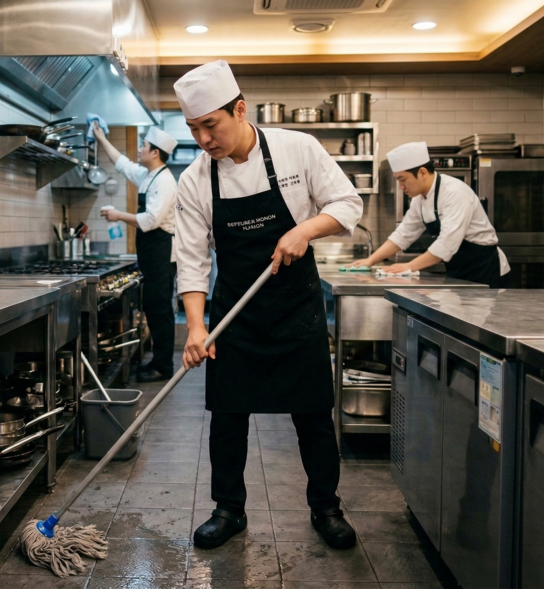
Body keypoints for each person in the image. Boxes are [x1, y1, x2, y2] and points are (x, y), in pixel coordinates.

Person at [173, 60, 363, 550]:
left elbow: (347, 204)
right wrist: (196, 327)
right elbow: (192, 262)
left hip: (296, 306)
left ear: (239, 109)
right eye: (194, 129)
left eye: (210, 125)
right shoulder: (195, 180)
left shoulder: (296, 148)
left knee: (314, 414)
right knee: (228, 416)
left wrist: (304, 230)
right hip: (236, 310)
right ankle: (228, 510)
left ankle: (326, 508)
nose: (204, 139)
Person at [348, 141, 511, 287]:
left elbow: (447, 244)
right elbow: (402, 235)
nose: (400, 186)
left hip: (486, 271)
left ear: (423, 173)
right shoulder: (420, 199)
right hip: (459, 272)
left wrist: (408, 266)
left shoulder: (455, 193)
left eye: (402, 179)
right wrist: (370, 261)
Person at [93, 123, 180, 382]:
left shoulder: (165, 181)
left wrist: (117, 215)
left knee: (160, 309)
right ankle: (158, 361)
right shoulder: (147, 175)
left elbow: (152, 220)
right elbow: (121, 163)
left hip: (163, 254)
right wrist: (100, 137)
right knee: (153, 307)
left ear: (155, 152)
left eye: (143, 145)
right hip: (152, 254)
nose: (139, 149)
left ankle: (163, 366)